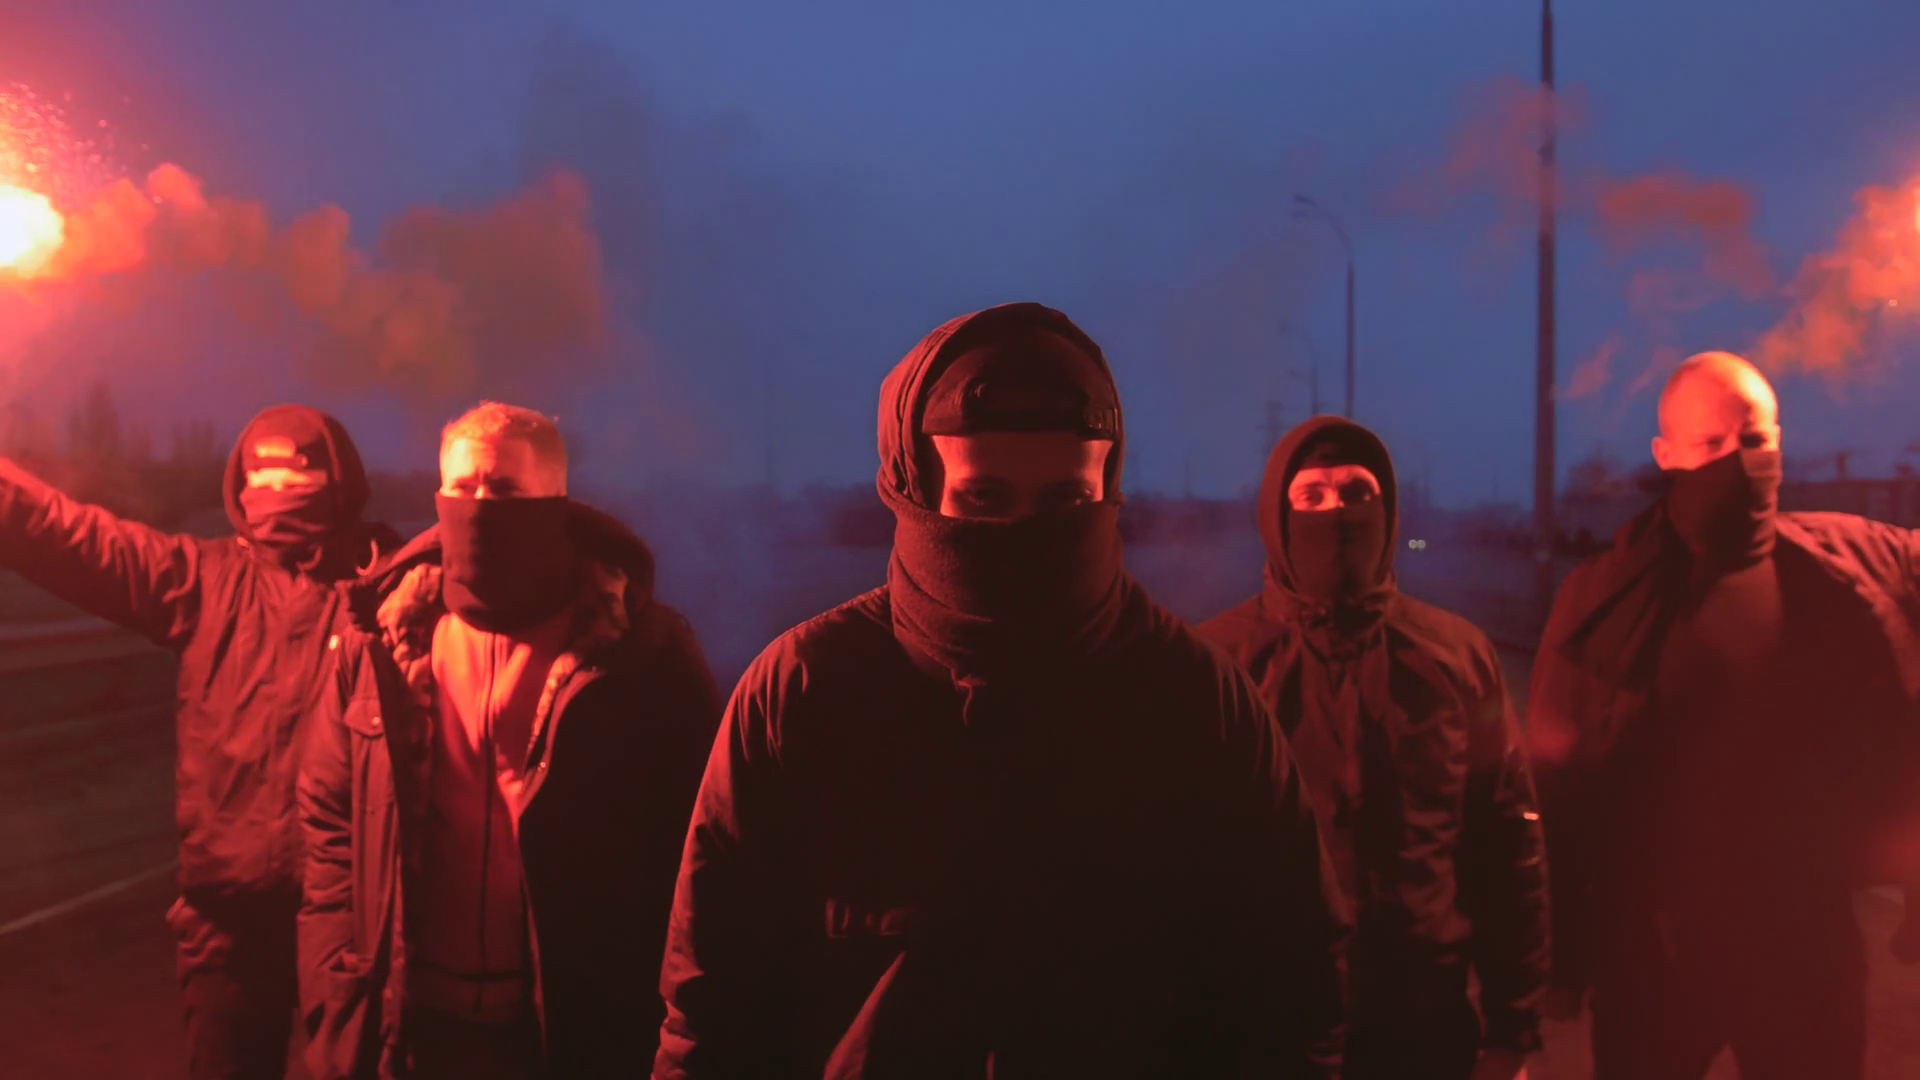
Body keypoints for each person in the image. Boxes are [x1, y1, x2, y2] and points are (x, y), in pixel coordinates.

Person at [654, 302, 1351, 1078]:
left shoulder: (1199, 705)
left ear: (1107, 486)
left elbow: (1291, 1005)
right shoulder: (803, 695)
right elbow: (711, 1015)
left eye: (1064, 503)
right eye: (985, 500)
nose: (1027, 534)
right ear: (915, 488)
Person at [296, 401, 721, 1080]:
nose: (480, 504)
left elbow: (700, 845)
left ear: (555, 499)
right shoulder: (379, 644)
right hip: (412, 1023)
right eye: (462, 488)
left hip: (570, 1025)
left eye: (505, 489)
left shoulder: (642, 653)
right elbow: (326, 822)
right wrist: (335, 978)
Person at [1528, 350, 1920, 1080]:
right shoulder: (1603, 599)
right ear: (1666, 454)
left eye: (1756, 441)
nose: (1740, 462)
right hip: (1657, 953)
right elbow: (1557, 785)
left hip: (1808, 940)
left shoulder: (1851, 560)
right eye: (1713, 446)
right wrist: (1560, 954)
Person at [0, 404, 398, 1080]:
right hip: (224, 926)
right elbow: (71, 537)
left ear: (337, 480)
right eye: (260, 472)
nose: (276, 488)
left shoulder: (383, 593)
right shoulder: (201, 581)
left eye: (295, 472)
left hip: (349, 925)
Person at [1198, 416, 1548, 1080]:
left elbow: (1507, 845)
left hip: (1424, 1028)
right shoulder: (1219, 664)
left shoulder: (1456, 656)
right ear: (1277, 514)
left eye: (1357, 493)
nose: (1338, 513)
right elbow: (1178, 869)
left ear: (1387, 510)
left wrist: (1512, 1030)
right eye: (1314, 496)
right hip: (1266, 1031)